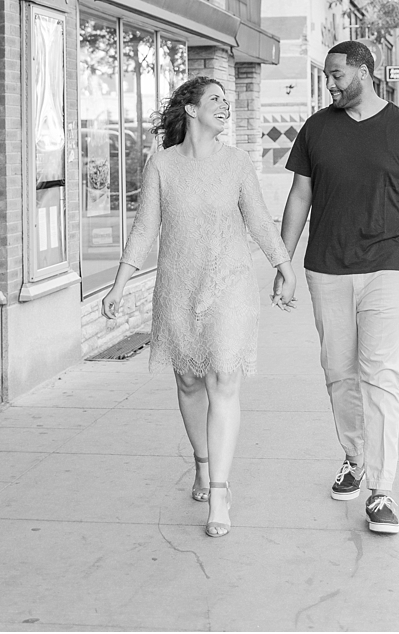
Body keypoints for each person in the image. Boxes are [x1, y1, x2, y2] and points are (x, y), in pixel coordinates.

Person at [101, 77, 296, 538]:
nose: (225, 107)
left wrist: (283, 265)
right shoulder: (163, 165)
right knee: (189, 380)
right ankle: (204, 463)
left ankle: (222, 491)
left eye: (228, 101)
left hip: (229, 282)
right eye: (215, 100)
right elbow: (146, 229)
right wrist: (118, 284)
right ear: (190, 110)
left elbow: (259, 220)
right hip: (178, 284)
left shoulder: (237, 164)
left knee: (224, 377)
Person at [277, 40, 399, 536]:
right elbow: (299, 195)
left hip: (389, 265)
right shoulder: (316, 129)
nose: (330, 84)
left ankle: (382, 491)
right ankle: (354, 456)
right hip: (326, 266)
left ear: (364, 72)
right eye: (328, 76)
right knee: (339, 373)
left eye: (337, 75)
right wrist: (282, 262)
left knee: (381, 375)